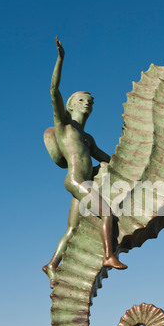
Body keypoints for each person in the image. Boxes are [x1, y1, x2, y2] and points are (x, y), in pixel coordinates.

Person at [43, 37, 127, 279]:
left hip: (84, 183)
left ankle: (51, 264)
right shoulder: (64, 126)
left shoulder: (88, 138)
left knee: (72, 228)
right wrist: (61, 58)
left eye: (90, 101)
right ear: (70, 105)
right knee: (107, 212)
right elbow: (53, 91)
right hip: (75, 181)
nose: (87, 103)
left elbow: (108, 158)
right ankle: (109, 255)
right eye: (81, 100)